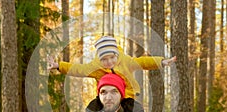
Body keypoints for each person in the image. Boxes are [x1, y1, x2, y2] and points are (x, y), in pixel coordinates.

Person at [47, 35, 176, 99]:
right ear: (99, 58)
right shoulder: (95, 67)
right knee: (96, 108)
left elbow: (143, 62)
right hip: (107, 97)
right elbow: (78, 70)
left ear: (116, 54)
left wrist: (162, 62)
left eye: (112, 58)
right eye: (104, 59)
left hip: (127, 94)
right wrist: (59, 65)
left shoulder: (125, 60)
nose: (109, 62)